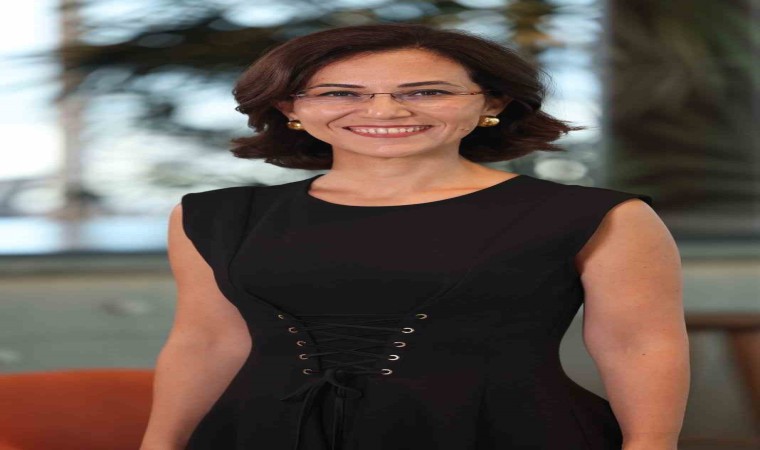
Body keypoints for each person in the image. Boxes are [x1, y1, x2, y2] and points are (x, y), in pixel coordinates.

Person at [140, 23, 689, 450]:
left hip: (507, 432)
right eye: (340, 93)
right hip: (257, 435)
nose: (385, 111)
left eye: (427, 91)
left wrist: (652, 445)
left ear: (492, 103)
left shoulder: (598, 215)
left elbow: (637, 344)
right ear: (291, 107)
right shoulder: (216, 216)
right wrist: (159, 445)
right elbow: (207, 342)